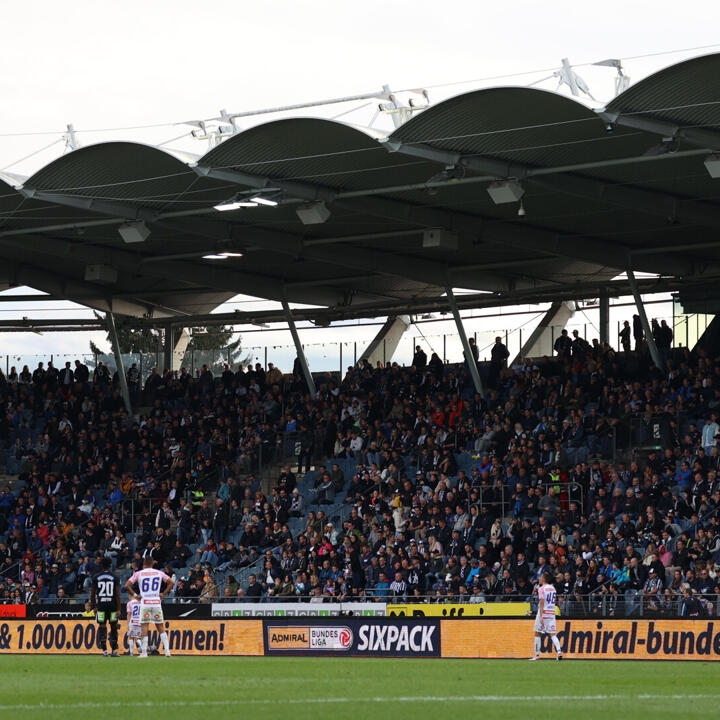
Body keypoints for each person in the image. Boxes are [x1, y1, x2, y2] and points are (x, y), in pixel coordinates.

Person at [126, 556, 174, 658]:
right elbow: (172, 582)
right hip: (156, 602)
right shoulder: (159, 573)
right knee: (160, 627)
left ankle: (144, 653)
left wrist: (136, 596)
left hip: (145, 603)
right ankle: (167, 651)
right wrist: (163, 594)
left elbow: (127, 585)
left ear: (144, 564)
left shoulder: (138, 573)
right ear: (152, 563)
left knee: (144, 627)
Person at [90, 556, 121, 657]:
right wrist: (119, 609)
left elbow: (92, 594)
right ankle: (114, 651)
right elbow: (117, 594)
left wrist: (94, 607)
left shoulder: (95, 577)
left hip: (101, 606)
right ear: (110, 565)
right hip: (112, 606)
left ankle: (104, 651)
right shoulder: (115, 577)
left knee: (102, 626)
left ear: (101, 565)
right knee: (113, 627)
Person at [529, 572, 562, 661]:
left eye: (540, 577)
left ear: (544, 579)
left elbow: (542, 601)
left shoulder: (541, 588)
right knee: (553, 634)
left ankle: (536, 655)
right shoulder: (553, 588)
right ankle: (559, 652)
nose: (539, 578)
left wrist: (541, 615)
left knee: (537, 632)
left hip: (543, 612)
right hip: (551, 612)